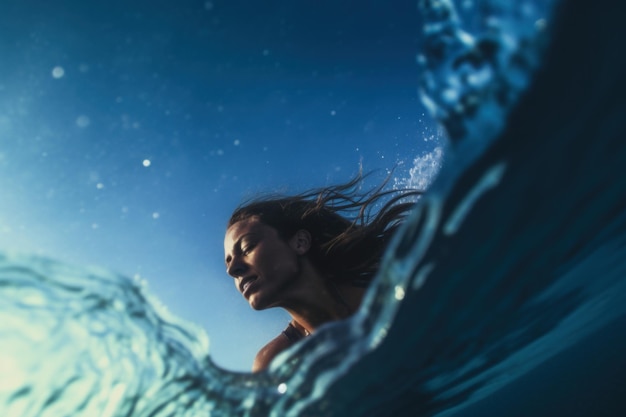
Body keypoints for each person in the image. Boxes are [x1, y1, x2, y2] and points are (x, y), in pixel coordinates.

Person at [223, 172, 421, 372]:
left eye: (247, 248)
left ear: (300, 243)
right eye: (228, 263)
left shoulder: (392, 286)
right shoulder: (272, 364)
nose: (232, 270)